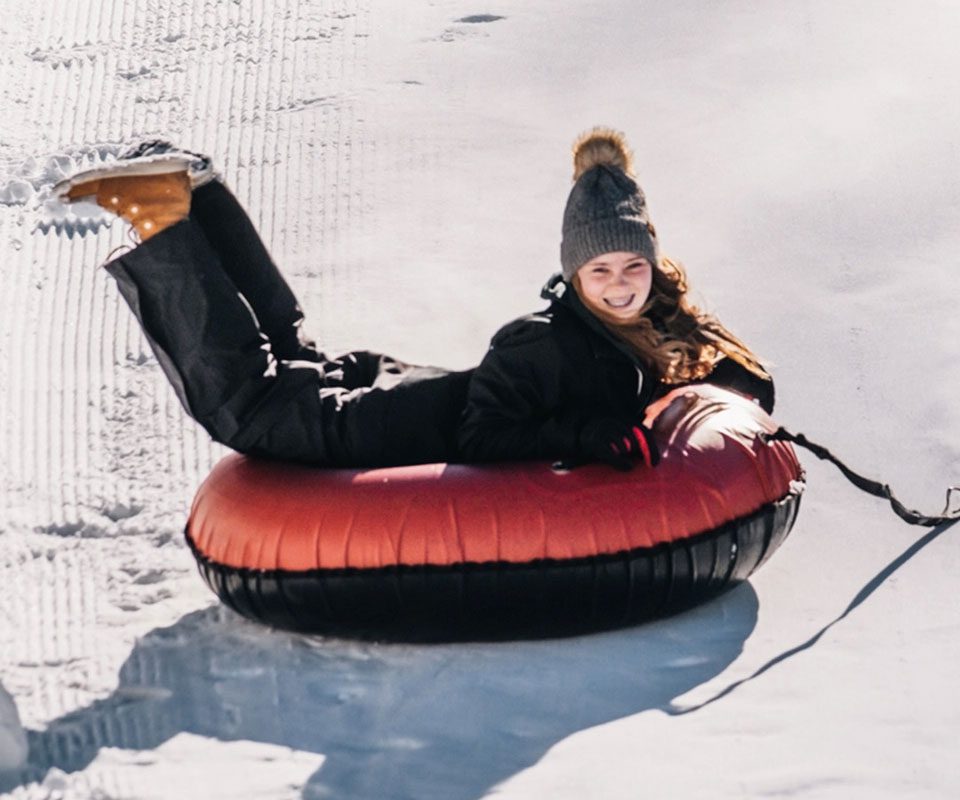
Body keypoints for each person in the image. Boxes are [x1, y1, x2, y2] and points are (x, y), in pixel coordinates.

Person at [53, 130, 772, 471]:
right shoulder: (546, 341)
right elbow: (482, 441)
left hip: (405, 390)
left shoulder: (660, 314)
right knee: (244, 406)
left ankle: (204, 196)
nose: (619, 284)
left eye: (630, 268)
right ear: (573, 276)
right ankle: (163, 214)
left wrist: (695, 402)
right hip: (381, 426)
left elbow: (751, 376)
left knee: (290, 351)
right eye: (599, 272)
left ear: (652, 264)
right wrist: (586, 436)